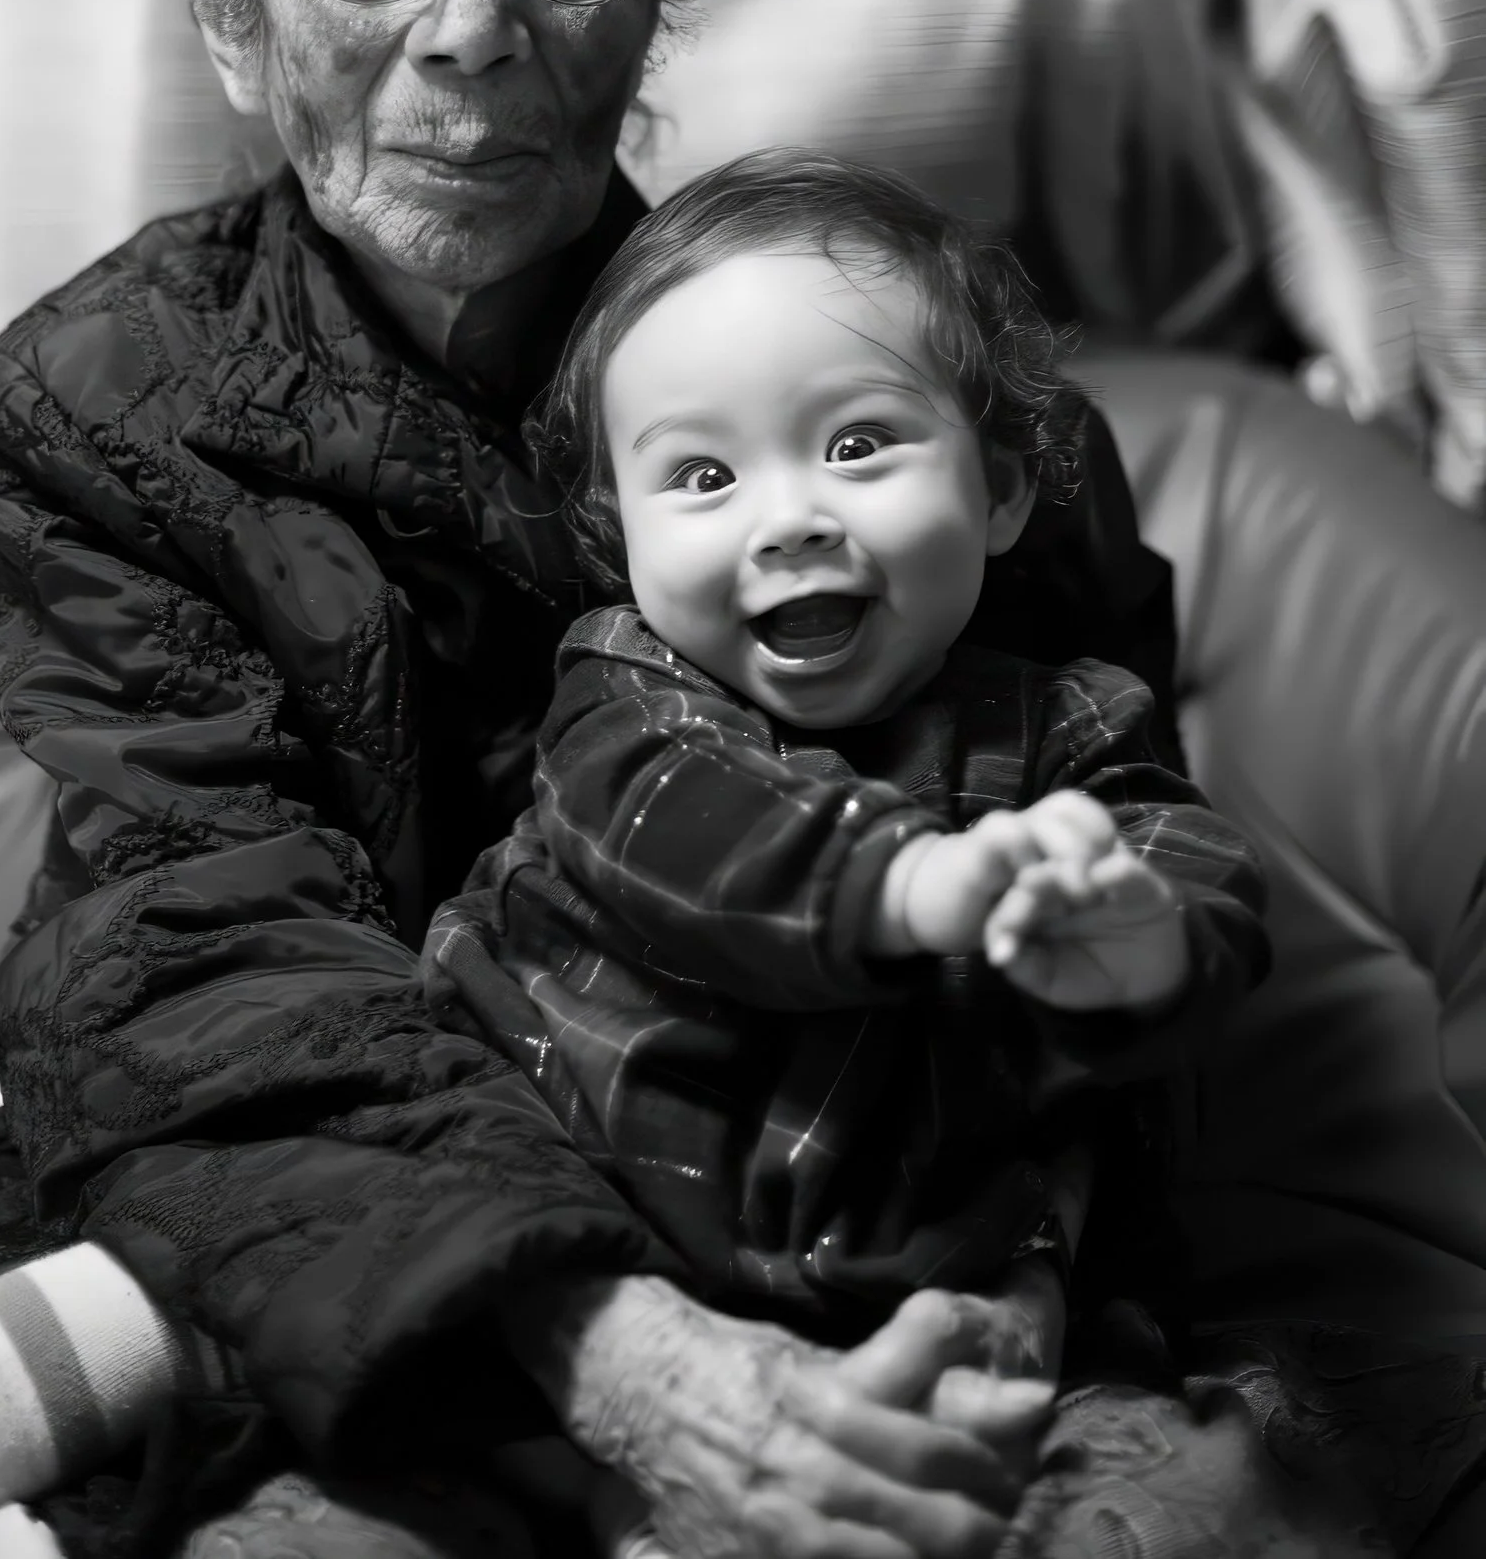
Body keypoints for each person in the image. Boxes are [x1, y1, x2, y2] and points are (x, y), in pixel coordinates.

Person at [0, 0, 1183, 1559]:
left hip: (824, 1176)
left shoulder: (884, 365)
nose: (470, 23)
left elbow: (1101, 804)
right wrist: (634, 1365)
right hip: (316, 1168)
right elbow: (221, 969)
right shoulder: (90, 406)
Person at [419, 153, 1378, 1556]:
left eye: (857, 444)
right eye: (700, 475)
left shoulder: (1064, 722)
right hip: (597, 1262)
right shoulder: (625, 702)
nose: (793, 514)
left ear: (994, 494)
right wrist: (919, 883)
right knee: (340, 1416)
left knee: (1213, 1497)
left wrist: (1137, 931)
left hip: (923, 1286)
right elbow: (698, 846)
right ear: (619, 540)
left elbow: (1193, 857)